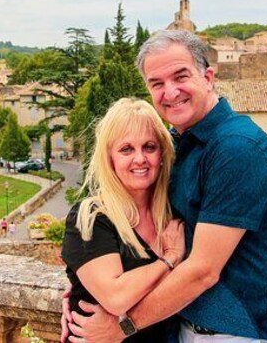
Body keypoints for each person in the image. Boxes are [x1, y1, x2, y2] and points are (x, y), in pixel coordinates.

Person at [67, 30, 267, 343]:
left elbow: (202, 271)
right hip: (196, 331)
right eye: (157, 84)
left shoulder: (236, 148)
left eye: (180, 76)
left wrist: (121, 327)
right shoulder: (185, 146)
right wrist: (84, 293)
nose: (170, 92)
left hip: (248, 334)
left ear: (207, 77)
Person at [62, 98, 187, 343]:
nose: (140, 158)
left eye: (149, 147)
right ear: (109, 158)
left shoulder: (172, 214)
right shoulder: (91, 217)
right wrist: (169, 259)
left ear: (162, 154)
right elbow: (116, 297)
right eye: (126, 149)